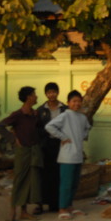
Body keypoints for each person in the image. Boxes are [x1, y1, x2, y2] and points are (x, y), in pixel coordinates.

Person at [0, 86, 42, 221]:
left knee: (30, 181)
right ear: (28, 97)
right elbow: (0, 126)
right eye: (34, 94)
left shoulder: (35, 114)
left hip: (34, 151)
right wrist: (13, 139)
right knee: (19, 180)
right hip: (22, 151)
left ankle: (24, 211)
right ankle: (12, 212)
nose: (36, 97)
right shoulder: (17, 114)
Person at [45, 90, 91, 220]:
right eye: (74, 101)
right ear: (68, 103)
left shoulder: (82, 117)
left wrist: (81, 136)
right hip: (67, 156)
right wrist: (63, 137)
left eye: (79, 101)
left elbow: (87, 128)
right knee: (66, 183)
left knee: (74, 184)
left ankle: (70, 206)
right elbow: (49, 126)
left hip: (78, 155)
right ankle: (62, 208)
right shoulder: (65, 115)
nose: (77, 104)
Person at [36, 82, 67, 213]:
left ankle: (55, 203)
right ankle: (40, 204)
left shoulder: (64, 109)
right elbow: (38, 128)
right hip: (45, 145)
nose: (52, 95)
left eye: (54, 92)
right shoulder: (41, 110)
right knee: (44, 175)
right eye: (49, 92)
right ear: (46, 94)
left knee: (57, 174)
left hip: (60, 144)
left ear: (57, 93)